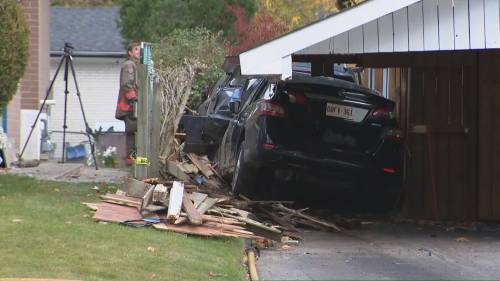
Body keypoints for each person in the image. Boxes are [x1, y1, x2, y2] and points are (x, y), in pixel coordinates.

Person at [115, 42, 140, 164]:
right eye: (136, 49)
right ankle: (131, 160)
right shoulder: (129, 65)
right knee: (132, 132)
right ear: (130, 52)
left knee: (133, 132)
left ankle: (133, 160)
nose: (139, 51)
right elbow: (127, 84)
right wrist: (135, 100)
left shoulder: (136, 65)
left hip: (131, 105)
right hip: (130, 106)